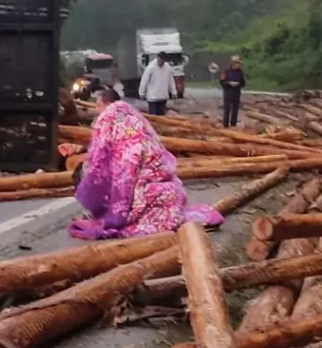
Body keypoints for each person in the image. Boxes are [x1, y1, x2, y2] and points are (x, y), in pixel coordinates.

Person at [68, 88, 224, 240]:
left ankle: (98, 212)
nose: (96, 110)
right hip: (169, 187)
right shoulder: (130, 120)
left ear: (109, 104)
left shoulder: (112, 120)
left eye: (98, 105)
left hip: (147, 185)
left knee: (95, 177)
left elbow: (109, 158)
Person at [139, 51, 176, 116]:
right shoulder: (150, 67)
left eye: (163, 61)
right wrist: (142, 92)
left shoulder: (167, 67)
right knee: (153, 117)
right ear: (158, 58)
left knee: (161, 117)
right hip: (153, 98)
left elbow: (171, 80)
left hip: (163, 97)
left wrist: (173, 91)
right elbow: (144, 80)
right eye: (160, 60)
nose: (161, 62)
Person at [219, 55, 246, 127]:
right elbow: (222, 82)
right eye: (237, 63)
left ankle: (233, 125)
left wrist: (238, 84)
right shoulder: (226, 71)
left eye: (239, 63)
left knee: (235, 109)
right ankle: (225, 125)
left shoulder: (240, 72)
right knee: (227, 109)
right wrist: (229, 83)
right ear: (232, 63)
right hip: (228, 92)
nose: (238, 65)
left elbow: (243, 82)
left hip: (236, 92)